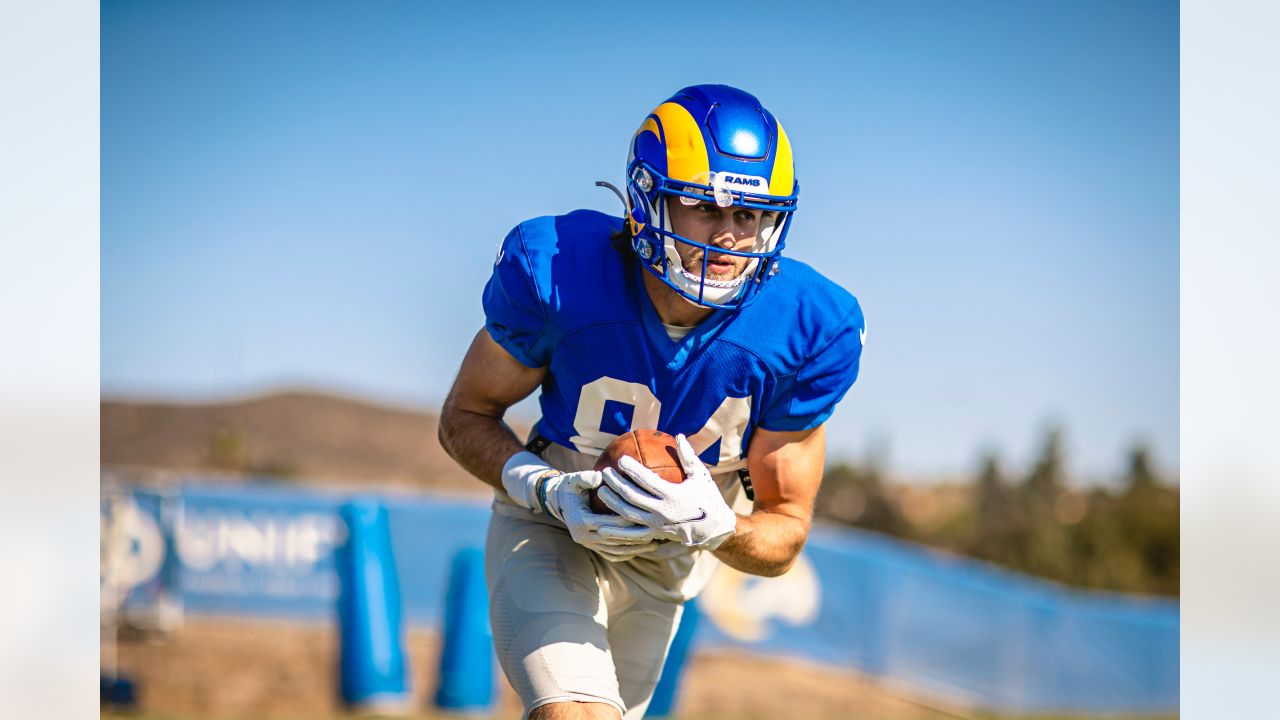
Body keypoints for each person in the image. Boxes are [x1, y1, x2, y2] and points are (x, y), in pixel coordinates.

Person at [439, 84, 866, 720]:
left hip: (675, 559)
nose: (728, 240)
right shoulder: (558, 271)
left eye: (749, 216)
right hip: (553, 523)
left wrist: (717, 525)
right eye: (704, 208)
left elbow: (786, 529)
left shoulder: (809, 323)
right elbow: (463, 418)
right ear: (646, 203)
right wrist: (544, 490)